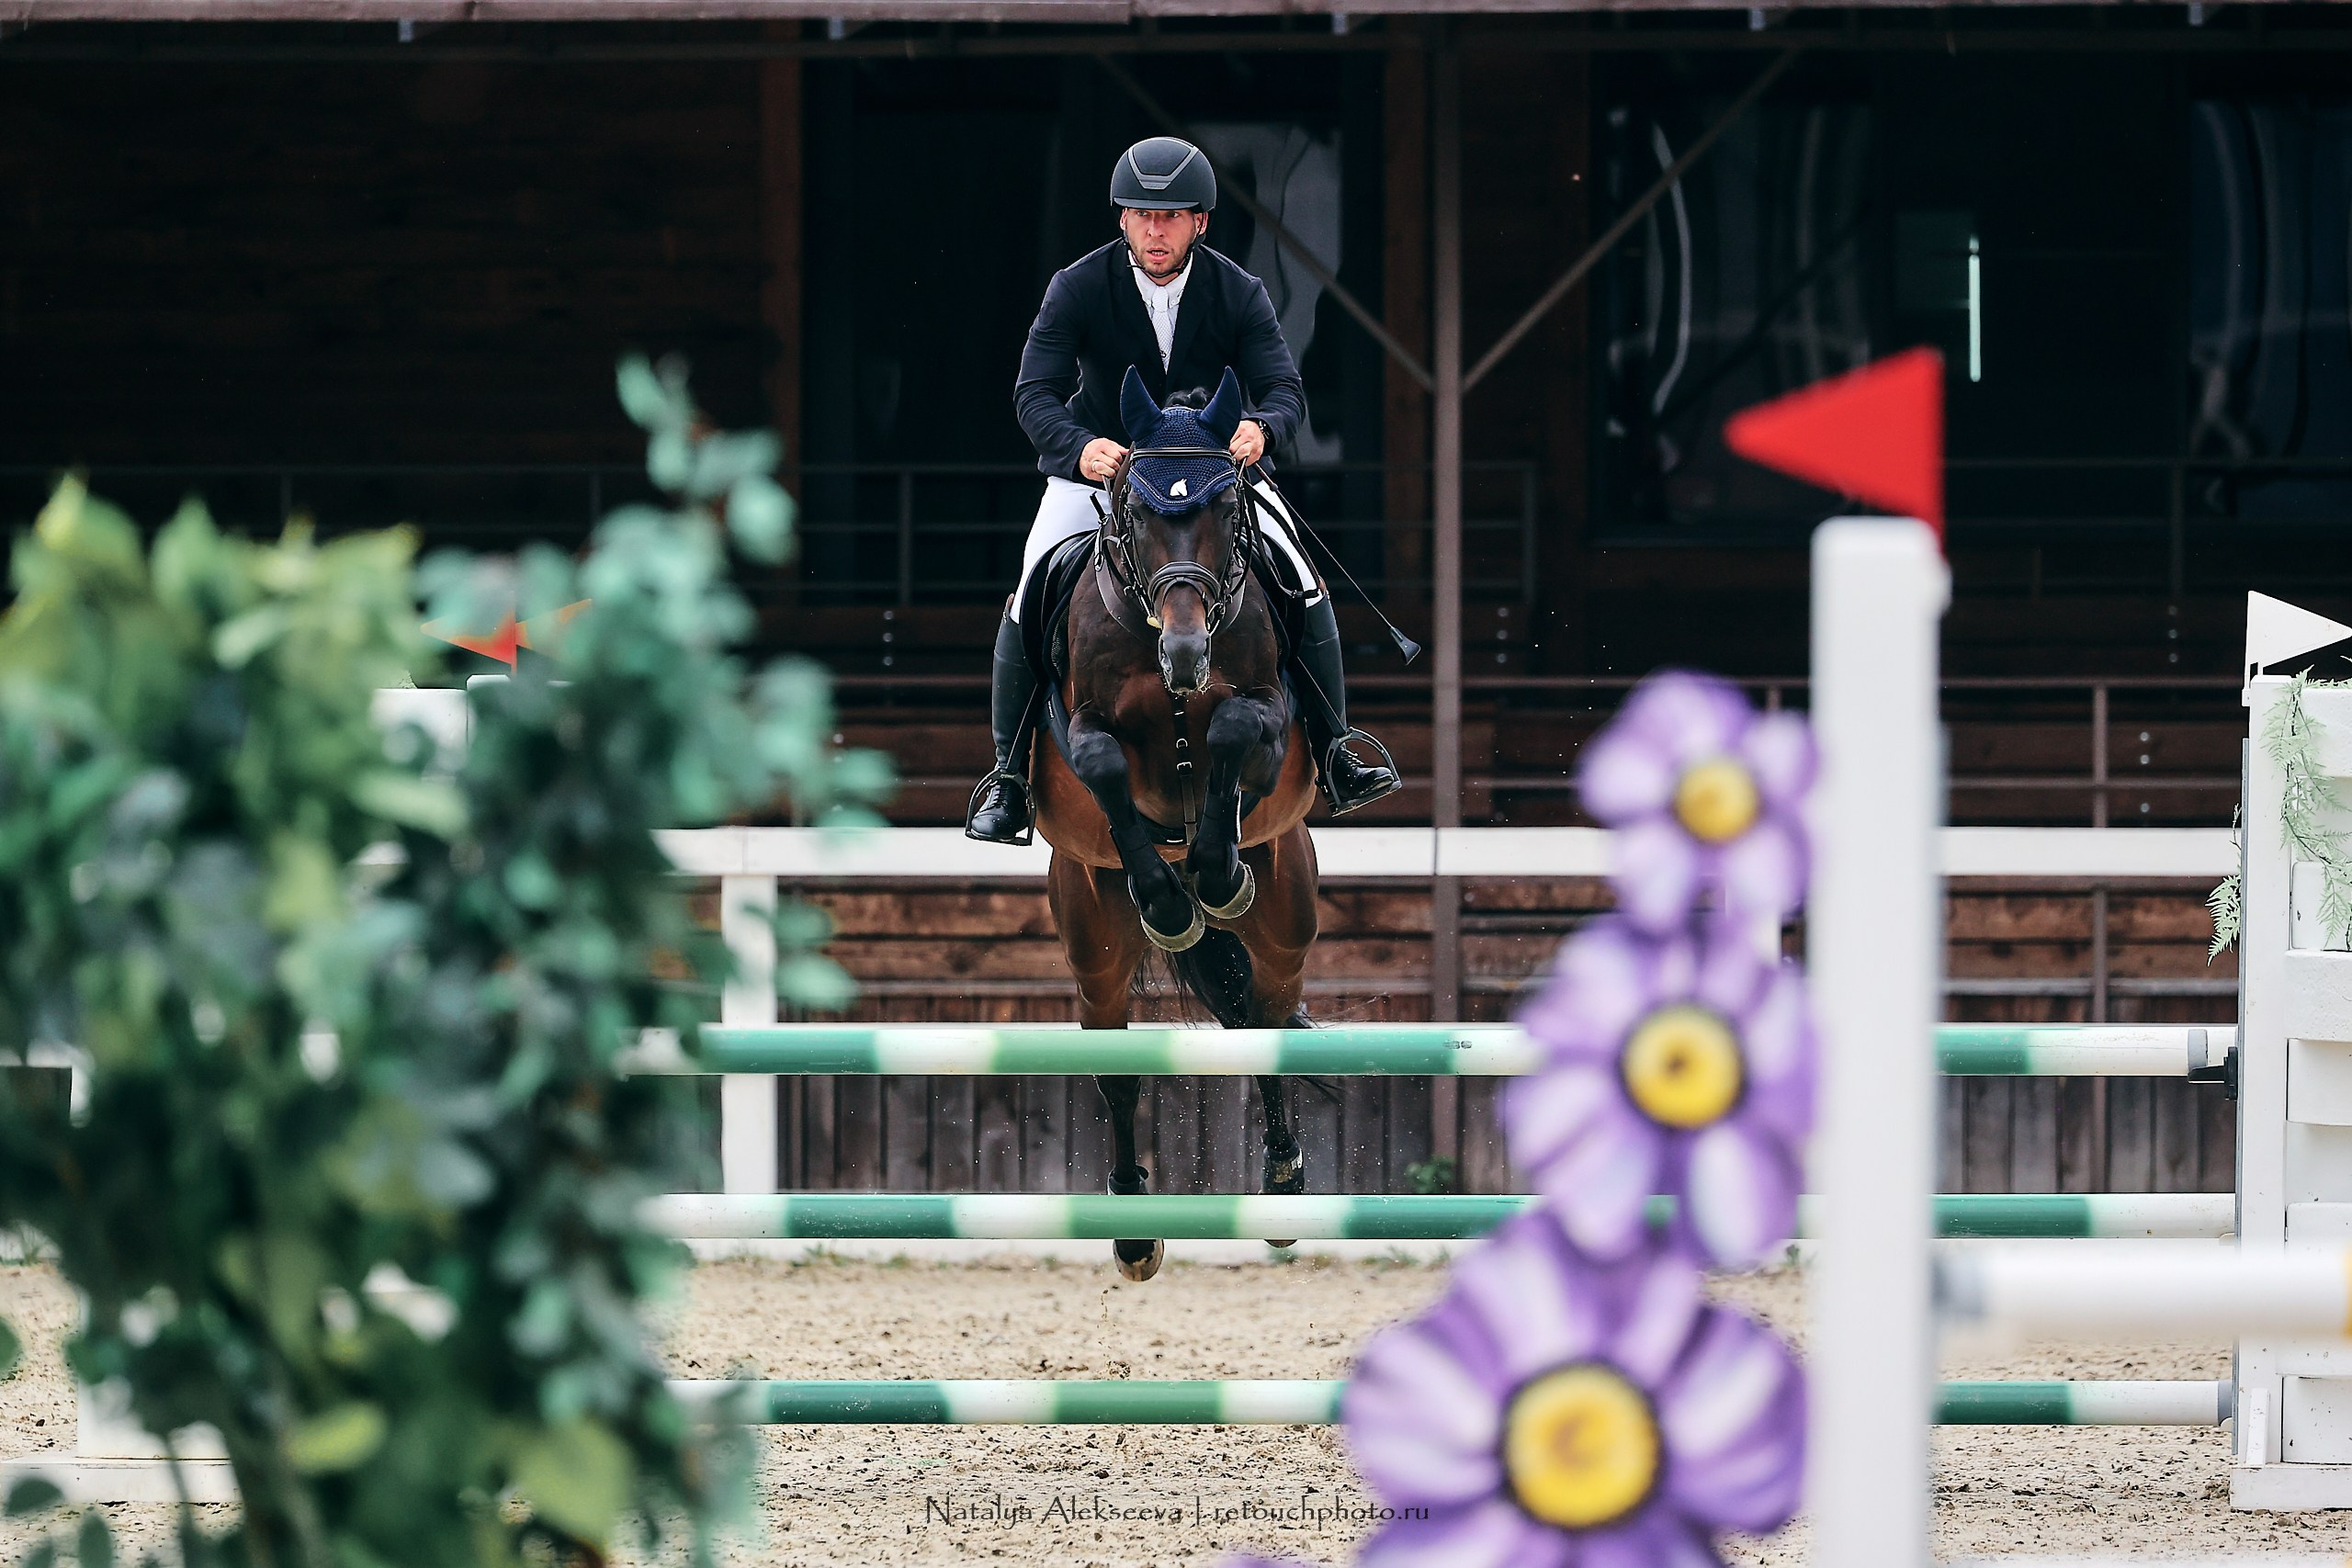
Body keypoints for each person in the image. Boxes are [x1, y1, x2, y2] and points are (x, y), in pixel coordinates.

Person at [965, 135, 1401, 844]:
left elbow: (1283, 387)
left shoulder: (1237, 289)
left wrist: (1262, 429)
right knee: (1030, 586)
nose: (1154, 230)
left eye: (1171, 217)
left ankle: (1336, 747)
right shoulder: (1077, 286)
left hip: (1210, 477)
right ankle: (1009, 779)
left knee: (1301, 574)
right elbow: (1033, 392)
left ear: (1201, 222)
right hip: (1109, 471)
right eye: (1141, 214)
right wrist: (1081, 447)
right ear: (1121, 220)